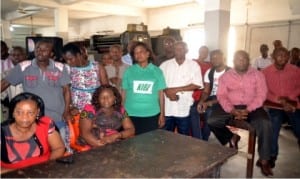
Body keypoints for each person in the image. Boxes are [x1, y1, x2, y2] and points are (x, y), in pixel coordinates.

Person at [208, 50, 273, 176]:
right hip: (231, 106)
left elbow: (261, 94)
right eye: (238, 59)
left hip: (253, 106)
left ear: (248, 60)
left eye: (244, 59)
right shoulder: (225, 77)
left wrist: (248, 109)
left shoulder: (258, 75)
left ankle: (265, 160)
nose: (241, 61)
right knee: (212, 120)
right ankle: (231, 137)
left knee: (265, 123)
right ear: (233, 61)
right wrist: (231, 110)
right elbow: (221, 95)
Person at [1, 39, 72, 153]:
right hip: (33, 120)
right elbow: (5, 83)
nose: (40, 51)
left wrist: (66, 111)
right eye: (38, 48)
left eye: (45, 49)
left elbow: (66, 90)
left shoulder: (60, 68)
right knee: (37, 151)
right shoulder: (23, 67)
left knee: (59, 149)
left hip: (56, 117)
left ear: (51, 53)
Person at [1, 92, 65, 172]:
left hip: (45, 171)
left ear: (37, 112)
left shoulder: (45, 124)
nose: (24, 117)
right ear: (13, 112)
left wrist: (48, 166)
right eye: (19, 112)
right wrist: (21, 173)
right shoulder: (2, 132)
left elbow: (59, 148)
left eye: (30, 112)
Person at [262, 47, 300, 168]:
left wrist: (289, 97)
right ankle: (272, 154)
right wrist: (279, 99)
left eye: (285, 55)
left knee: (299, 125)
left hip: (292, 103)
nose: (283, 58)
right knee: (274, 123)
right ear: (273, 57)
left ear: (288, 57)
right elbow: (264, 91)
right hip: (274, 105)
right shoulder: (265, 72)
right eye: (279, 55)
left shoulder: (295, 70)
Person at [122, 42, 166, 135]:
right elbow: (124, 93)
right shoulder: (129, 71)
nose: (138, 54)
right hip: (130, 114)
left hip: (151, 114)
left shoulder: (157, 71)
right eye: (136, 53)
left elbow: (161, 95)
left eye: (141, 51)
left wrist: (162, 114)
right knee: (132, 144)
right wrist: (122, 112)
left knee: (149, 143)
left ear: (148, 54)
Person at [160, 41, 203, 136]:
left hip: (184, 108)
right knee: (165, 137)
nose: (178, 51)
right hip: (167, 108)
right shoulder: (165, 65)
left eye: (181, 49)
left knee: (183, 138)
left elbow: (197, 84)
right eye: (176, 49)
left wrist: (175, 90)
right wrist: (167, 91)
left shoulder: (193, 65)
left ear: (186, 50)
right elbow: (158, 83)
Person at [62, 42, 108, 111]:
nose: (68, 62)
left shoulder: (97, 66)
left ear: (78, 55)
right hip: (76, 107)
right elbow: (66, 90)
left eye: (70, 59)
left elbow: (106, 87)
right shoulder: (67, 68)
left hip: (96, 105)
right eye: (66, 60)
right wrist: (69, 107)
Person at [196, 50, 230, 141]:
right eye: (212, 58)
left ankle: (204, 139)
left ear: (224, 58)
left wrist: (210, 102)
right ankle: (197, 137)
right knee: (193, 110)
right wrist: (201, 101)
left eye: (218, 57)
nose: (215, 60)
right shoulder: (209, 72)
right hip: (212, 98)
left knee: (209, 112)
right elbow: (206, 91)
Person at [190, 45, 211, 139]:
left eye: (206, 52)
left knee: (209, 114)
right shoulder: (192, 62)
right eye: (202, 51)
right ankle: (197, 138)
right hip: (194, 93)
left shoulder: (210, 65)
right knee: (194, 112)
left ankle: (204, 137)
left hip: (206, 93)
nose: (204, 53)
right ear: (198, 51)